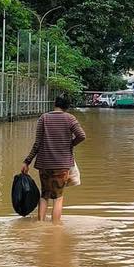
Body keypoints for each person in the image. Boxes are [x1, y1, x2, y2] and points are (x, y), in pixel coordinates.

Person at [21, 95, 86, 223]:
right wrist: (71, 144)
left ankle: (41, 224)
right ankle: (55, 228)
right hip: (62, 165)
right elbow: (82, 135)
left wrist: (27, 161)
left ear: (55, 104)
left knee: (44, 195)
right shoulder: (70, 118)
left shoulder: (43, 118)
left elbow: (37, 143)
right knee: (58, 197)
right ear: (67, 107)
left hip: (44, 164)